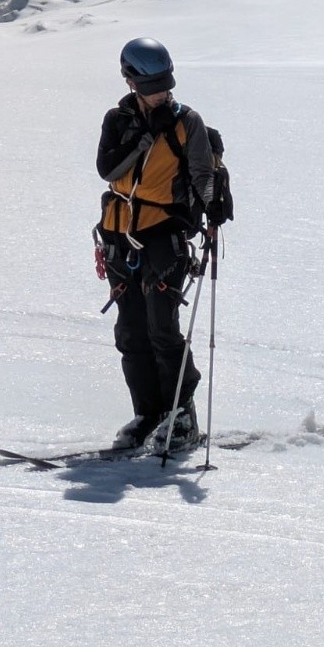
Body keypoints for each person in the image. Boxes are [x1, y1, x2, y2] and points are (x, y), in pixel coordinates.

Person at [95, 38, 218, 451]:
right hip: (119, 238)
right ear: (131, 82)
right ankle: (148, 414)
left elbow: (202, 175)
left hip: (165, 234)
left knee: (161, 328)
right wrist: (142, 141)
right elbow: (107, 169)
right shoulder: (118, 120)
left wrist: (207, 218)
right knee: (130, 331)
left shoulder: (188, 123)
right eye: (150, 87)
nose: (160, 94)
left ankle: (181, 416)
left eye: (164, 85)